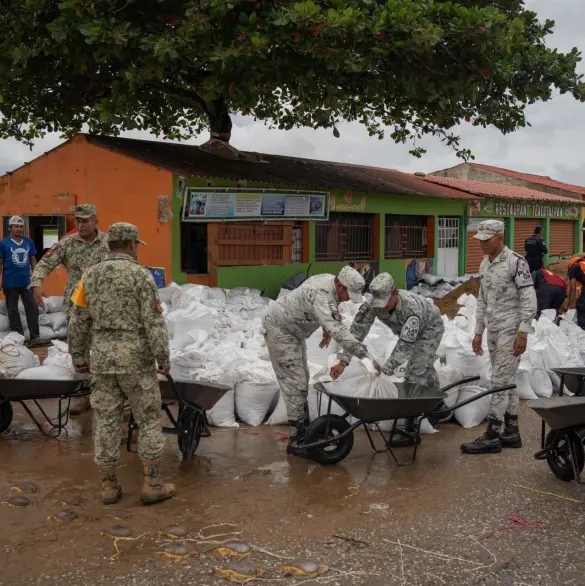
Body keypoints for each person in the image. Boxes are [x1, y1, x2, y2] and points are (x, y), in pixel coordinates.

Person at [68, 222, 174, 506]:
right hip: (136, 361)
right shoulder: (141, 276)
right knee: (148, 418)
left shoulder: (89, 276)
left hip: (102, 360)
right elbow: (153, 321)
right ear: (131, 244)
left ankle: (108, 486)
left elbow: (78, 319)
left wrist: (78, 356)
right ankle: (152, 483)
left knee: (105, 419)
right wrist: (162, 357)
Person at [263, 266, 375, 456]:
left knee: (302, 379)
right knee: (295, 384)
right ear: (340, 285)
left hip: (294, 332)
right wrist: (364, 354)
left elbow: (329, 312)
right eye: (348, 294)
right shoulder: (322, 293)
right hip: (280, 329)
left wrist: (325, 328)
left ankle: (304, 431)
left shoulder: (330, 280)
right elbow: (337, 328)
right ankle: (296, 441)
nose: (348, 298)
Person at [330, 272, 444, 445]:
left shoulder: (411, 310)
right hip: (404, 331)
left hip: (429, 329)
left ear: (395, 293)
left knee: (414, 374)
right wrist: (344, 361)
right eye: (377, 303)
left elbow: (404, 347)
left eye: (384, 303)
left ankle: (411, 430)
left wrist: (385, 371)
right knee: (423, 366)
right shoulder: (372, 305)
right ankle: (437, 403)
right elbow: (355, 334)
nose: (380, 308)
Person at [461, 220, 537, 455]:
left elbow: (529, 300)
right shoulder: (486, 264)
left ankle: (492, 434)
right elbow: (482, 300)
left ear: (500, 238)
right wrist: (478, 332)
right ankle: (512, 431)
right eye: (480, 239)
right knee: (508, 380)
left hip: (511, 331)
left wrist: (523, 333)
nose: (482, 243)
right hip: (494, 331)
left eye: (487, 239)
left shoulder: (516, 262)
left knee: (499, 382)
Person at [30, 204, 109, 414]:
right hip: (76, 306)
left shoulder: (109, 242)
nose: (82, 225)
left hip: (104, 306)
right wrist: (36, 283)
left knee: (105, 348)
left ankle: (105, 396)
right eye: (79, 221)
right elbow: (45, 263)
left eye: (86, 220)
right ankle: (84, 395)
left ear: (95, 221)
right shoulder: (67, 244)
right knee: (78, 350)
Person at [0, 216, 41, 346]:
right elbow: (0, 264)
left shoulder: (28, 242)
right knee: (13, 311)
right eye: (16, 226)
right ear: (10, 228)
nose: (19, 229)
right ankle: (19, 338)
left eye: (21, 226)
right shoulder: (3, 243)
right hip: (10, 283)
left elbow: (33, 260)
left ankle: (35, 337)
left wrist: (36, 279)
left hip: (27, 282)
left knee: (32, 308)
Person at [567, 256, 585, 329]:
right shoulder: (582, 265)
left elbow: (573, 288)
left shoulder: (574, 268)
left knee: (581, 307)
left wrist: (571, 304)